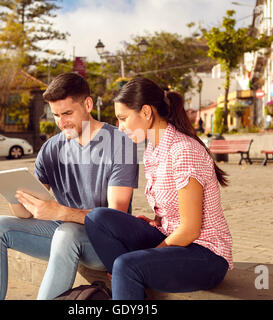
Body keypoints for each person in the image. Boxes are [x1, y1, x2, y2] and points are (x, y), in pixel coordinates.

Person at [0, 72, 139, 300]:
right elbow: (24, 214)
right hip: (62, 235)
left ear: (88, 104)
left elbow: (115, 217)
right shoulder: (51, 148)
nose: (62, 122)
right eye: (55, 115)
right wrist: (15, 195)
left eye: (67, 113)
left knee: (67, 231)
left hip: (104, 244)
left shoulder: (120, 144)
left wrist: (61, 212)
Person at [85, 77, 233, 300]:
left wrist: (151, 253)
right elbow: (171, 205)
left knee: (125, 264)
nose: (120, 127)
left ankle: (127, 276)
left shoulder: (183, 150)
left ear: (146, 112)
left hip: (205, 254)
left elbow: (191, 230)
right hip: (173, 238)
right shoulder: (153, 149)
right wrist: (157, 221)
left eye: (123, 118)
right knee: (97, 218)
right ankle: (128, 279)